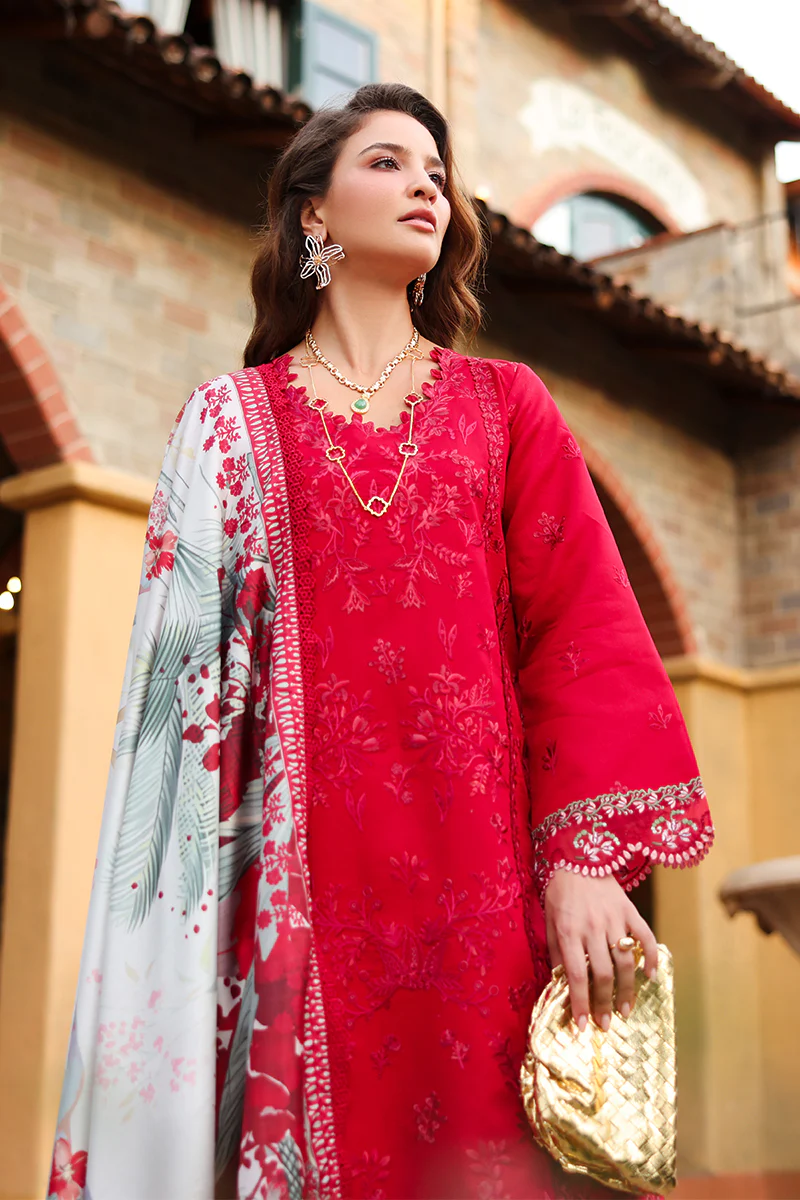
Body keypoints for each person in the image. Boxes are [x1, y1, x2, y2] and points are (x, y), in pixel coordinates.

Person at [48, 83, 714, 1200]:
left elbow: (582, 631)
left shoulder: (504, 406)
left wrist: (584, 863)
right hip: (289, 899)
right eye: (388, 163)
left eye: (438, 175)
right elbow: (177, 707)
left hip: (481, 891)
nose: (426, 188)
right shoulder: (231, 423)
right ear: (312, 212)